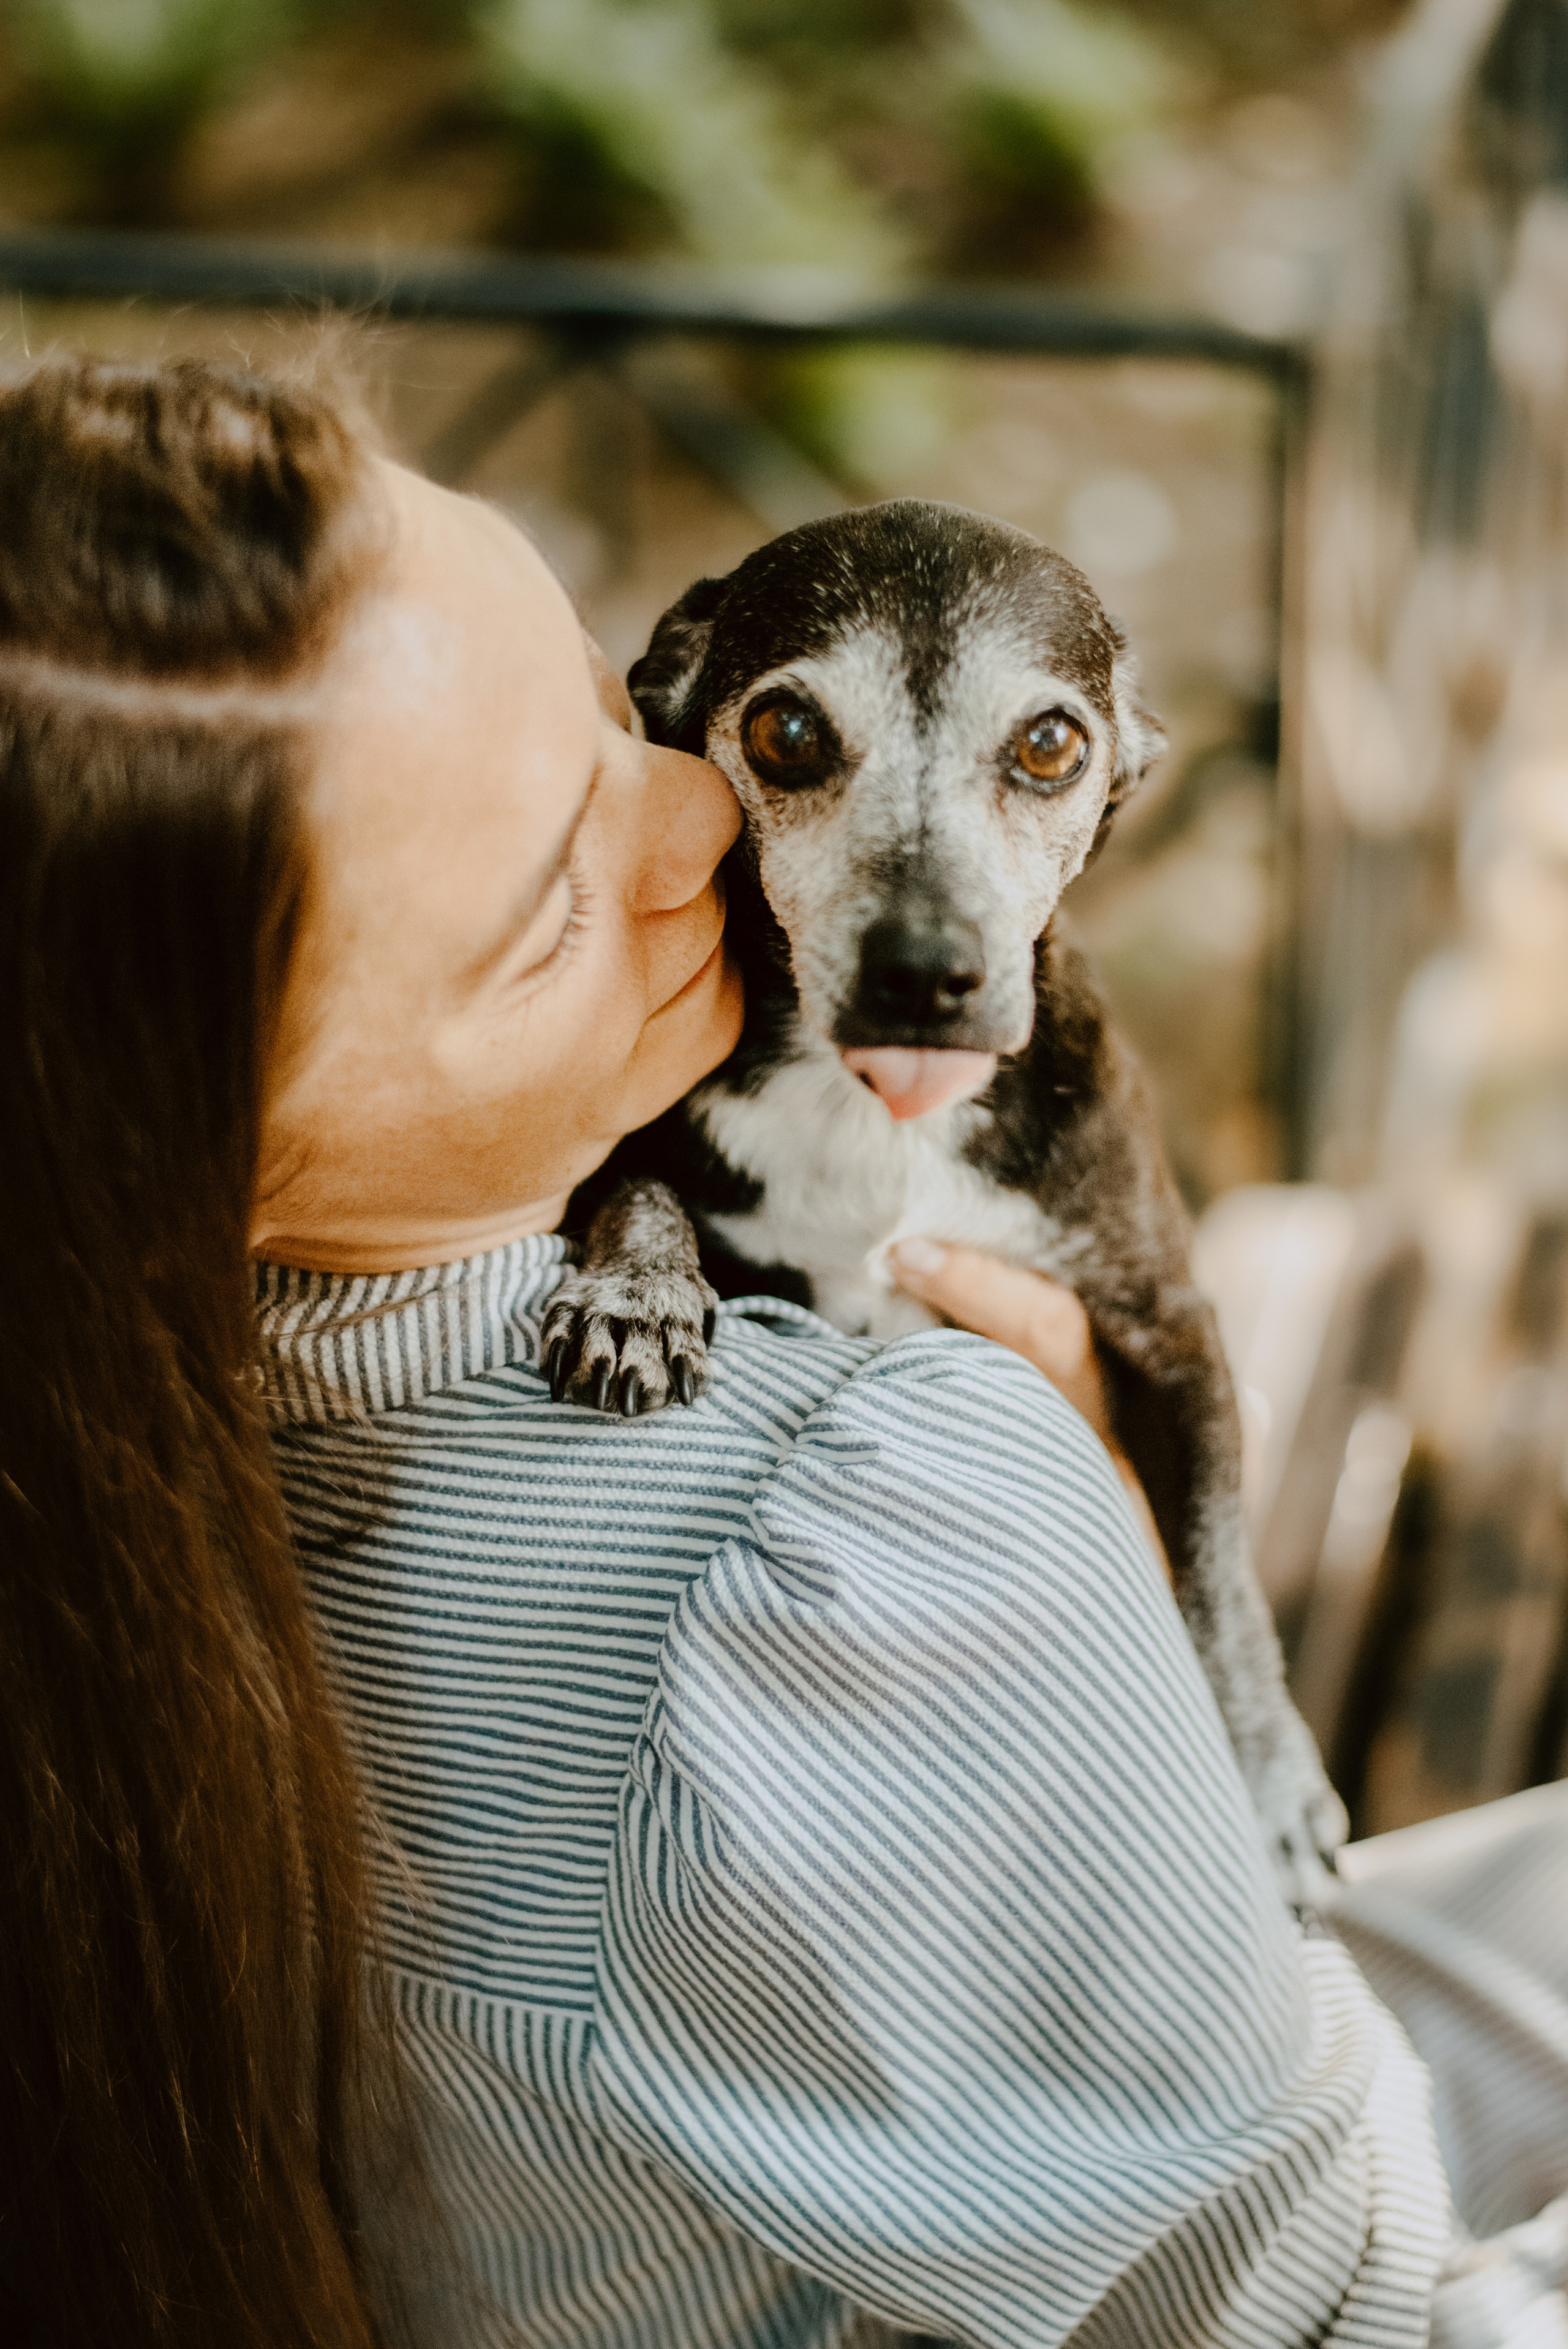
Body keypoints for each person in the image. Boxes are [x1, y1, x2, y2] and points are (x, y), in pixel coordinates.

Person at [3, 353, 1455, 2349]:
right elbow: (1341, 2297)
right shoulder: (876, 1520)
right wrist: (1083, 1561)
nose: (699, 812)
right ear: (193, 1139)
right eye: (543, 908)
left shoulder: (99, 1563)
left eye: (618, 717)